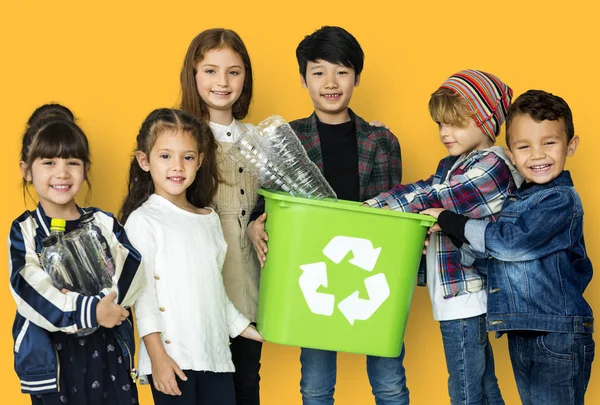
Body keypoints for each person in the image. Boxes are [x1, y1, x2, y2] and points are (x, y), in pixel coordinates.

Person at [248, 26, 405, 405]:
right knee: (316, 387)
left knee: (390, 383)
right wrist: (255, 223)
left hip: (370, 269)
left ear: (357, 77)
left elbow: (392, 212)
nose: (330, 83)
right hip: (312, 273)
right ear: (303, 79)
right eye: (318, 72)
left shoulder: (381, 141)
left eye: (342, 72)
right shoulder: (288, 138)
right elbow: (267, 200)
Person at [422, 90, 594, 405]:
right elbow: (499, 262)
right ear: (510, 154)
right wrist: (454, 235)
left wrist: (450, 220)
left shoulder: (559, 200)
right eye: (524, 146)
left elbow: (509, 245)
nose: (537, 155)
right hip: (525, 330)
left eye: (549, 143)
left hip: (557, 334)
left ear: (571, 145)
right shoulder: (519, 200)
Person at [365, 69, 520, 404]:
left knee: (464, 389)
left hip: (467, 297)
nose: (444, 133)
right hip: (454, 296)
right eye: (439, 124)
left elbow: (436, 198)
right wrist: (369, 207)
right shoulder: (452, 164)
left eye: (455, 123)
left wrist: (378, 213)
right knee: (483, 384)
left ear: (486, 120)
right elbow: (419, 188)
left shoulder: (493, 166)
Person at [120, 108, 263, 405]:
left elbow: (213, 290)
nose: (177, 166)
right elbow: (143, 297)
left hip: (216, 357)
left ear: (200, 160)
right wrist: (157, 358)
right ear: (144, 160)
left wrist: (247, 329)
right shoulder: (142, 220)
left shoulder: (208, 219)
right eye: (165, 156)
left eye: (187, 157)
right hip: (173, 362)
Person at [8, 103, 145, 405]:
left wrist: (108, 302)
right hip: (54, 363)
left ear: (86, 169)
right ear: (26, 170)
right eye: (48, 162)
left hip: (108, 353)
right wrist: (90, 311)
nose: (62, 173)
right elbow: (29, 288)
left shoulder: (103, 222)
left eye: (72, 162)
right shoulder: (26, 231)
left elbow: (132, 267)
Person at [179, 28, 263, 405]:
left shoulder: (259, 138)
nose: (222, 82)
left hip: (249, 286)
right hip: (199, 288)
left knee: (246, 384)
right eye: (210, 71)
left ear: (245, 77)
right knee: (203, 387)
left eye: (234, 71)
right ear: (193, 75)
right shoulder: (179, 140)